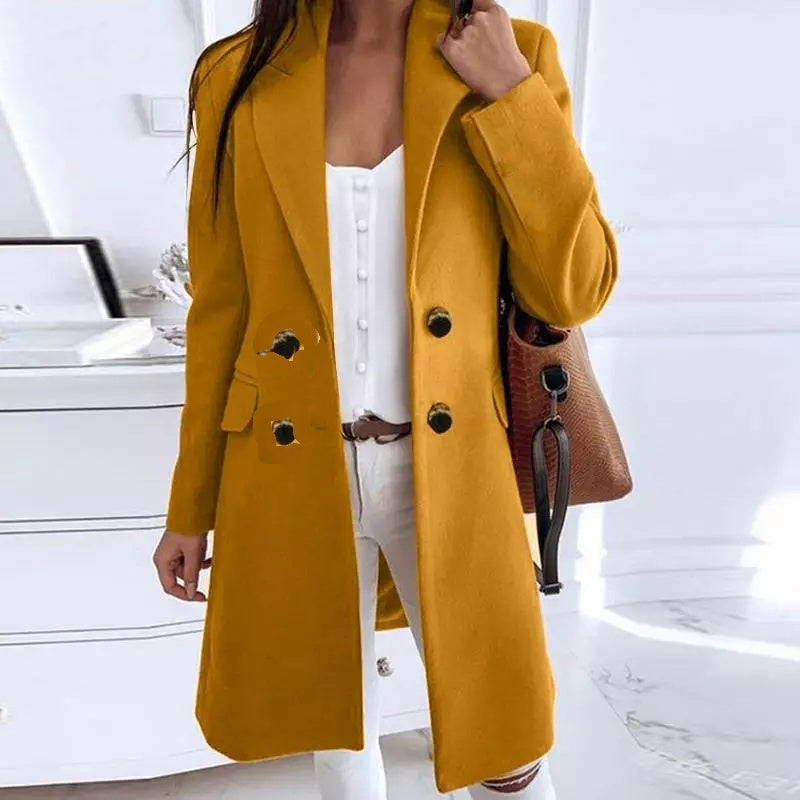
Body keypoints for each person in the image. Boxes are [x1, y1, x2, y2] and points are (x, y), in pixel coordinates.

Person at [152, 0, 618, 797]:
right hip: (288, 471)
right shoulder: (237, 72)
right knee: (332, 726)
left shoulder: (515, 53)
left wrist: (512, 94)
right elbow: (222, 310)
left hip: (451, 468)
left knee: (504, 743)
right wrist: (189, 507)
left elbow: (575, 288)